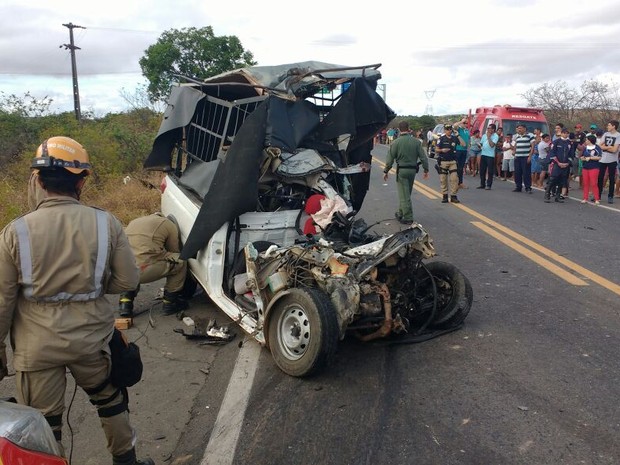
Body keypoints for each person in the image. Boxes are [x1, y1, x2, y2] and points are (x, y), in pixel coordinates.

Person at [0, 136, 153, 465]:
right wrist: (94, 284)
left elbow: (3, 300)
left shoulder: (15, 232)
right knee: (110, 400)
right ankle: (126, 461)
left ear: (38, 180)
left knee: (42, 423)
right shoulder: (105, 222)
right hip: (90, 340)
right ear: (81, 180)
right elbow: (128, 280)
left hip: (35, 347)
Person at [119, 213, 189, 317]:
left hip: (123, 272)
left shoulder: (135, 221)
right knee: (180, 262)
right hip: (145, 270)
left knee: (133, 261)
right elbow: (173, 250)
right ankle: (169, 303)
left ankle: (125, 305)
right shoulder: (168, 224)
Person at [383, 121, 430, 222]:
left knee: (404, 194)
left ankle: (408, 217)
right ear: (408, 128)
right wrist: (426, 169)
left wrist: (386, 171)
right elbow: (423, 157)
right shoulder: (417, 142)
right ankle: (401, 212)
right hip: (412, 170)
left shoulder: (396, 143)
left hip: (402, 171)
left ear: (399, 129)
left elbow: (390, 159)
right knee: (406, 193)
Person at [435, 123, 464, 203]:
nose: (449, 131)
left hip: (452, 161)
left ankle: (453, 196)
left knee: (454, 179)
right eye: (447, 129)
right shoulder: (441, 139)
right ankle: (445, 196)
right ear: (444, 130)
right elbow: (436, 149)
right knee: (443, 179)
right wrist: (442, 150)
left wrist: (458, 135)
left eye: (450, 129)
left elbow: (463, 144)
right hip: (443, 161)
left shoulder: (454, 138)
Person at [545, 128, 572, 203]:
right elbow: (552, 153)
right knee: (552, 180)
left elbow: (571, 154)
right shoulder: (556, 142)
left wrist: (567, 163)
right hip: (556, 164)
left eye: (567, 133)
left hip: (565, 165)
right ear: (561, 133)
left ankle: (558, 196)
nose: (566, 134)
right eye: (564, 133)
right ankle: (547, 195)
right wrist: (558, 162)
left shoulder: (569, 143)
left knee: (562, 180)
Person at [598, 119, 620, 204]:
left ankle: (610, 196)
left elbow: (615, 150)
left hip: (612, 160)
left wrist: (605, 146)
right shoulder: (605, 134)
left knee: (611, 178)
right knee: (600, 178)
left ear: (613, 126)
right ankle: (598, 195)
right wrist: (609, 147)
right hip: (603, 159)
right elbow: (600, 145)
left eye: (609, 125)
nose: (608, 126)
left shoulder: (618, 135)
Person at [579, 134, 602, 204]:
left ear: (590, 140)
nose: (585, 141)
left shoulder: (597, 147)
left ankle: (597, 198)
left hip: (594, 167)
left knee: (594, 183)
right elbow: (581, 156)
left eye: (586, 140)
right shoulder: (585, 148)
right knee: (585, 183)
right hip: (585, 167)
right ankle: (585, 198)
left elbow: (599, 157)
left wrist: (591, 158)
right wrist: (583, 158)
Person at [512, 124, 534, 193]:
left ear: (525, 129)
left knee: (526, 173)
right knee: (517, 173)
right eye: (518, 128)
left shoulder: (530, 135)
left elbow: (532, 146)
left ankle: (528, 187)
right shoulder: (517, 136)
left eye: (520, 128)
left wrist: (530, 156)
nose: (519, 130)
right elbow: (516, 145)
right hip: (518, 157)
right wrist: (514, 152)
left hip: (525, 157)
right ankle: (518, 187)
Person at [478, 124, 498, 190]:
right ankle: (482, 184)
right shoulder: (484, 135)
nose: (488, 130)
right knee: (482, 170)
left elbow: (492, 145)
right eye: (487, 128)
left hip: (490, 156)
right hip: (483, 154)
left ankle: (489, 185)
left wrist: (489, 137)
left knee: (490, 171)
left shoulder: (495, 136)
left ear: (493, 129)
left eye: (489, 128)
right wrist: (479, 145)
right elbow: (481, 143)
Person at [454, 118, 470, 188]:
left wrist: (469, 145)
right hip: (458, 150)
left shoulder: (467, 130)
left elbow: (468, 139)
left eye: (466, 123)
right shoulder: (458, 129)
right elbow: (454, 126)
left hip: (464, 150)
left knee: (461, 167)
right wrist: (461, 121)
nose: (465, 124)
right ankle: (456, 182)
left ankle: (460, 183)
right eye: (464, 123)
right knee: (457, 167)